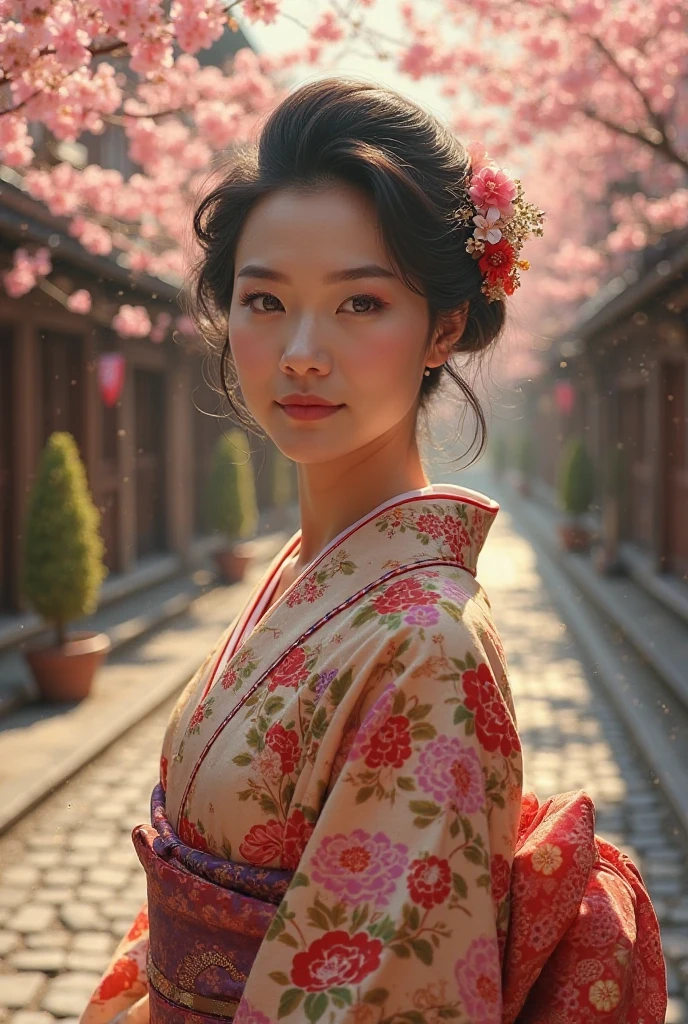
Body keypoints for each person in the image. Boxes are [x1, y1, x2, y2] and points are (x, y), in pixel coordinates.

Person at [80, 76, 665, 1024]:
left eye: (359, 305)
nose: (302, 351)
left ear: (442, 326)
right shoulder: (312, 575)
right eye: (264, 300)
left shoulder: (426, 646)